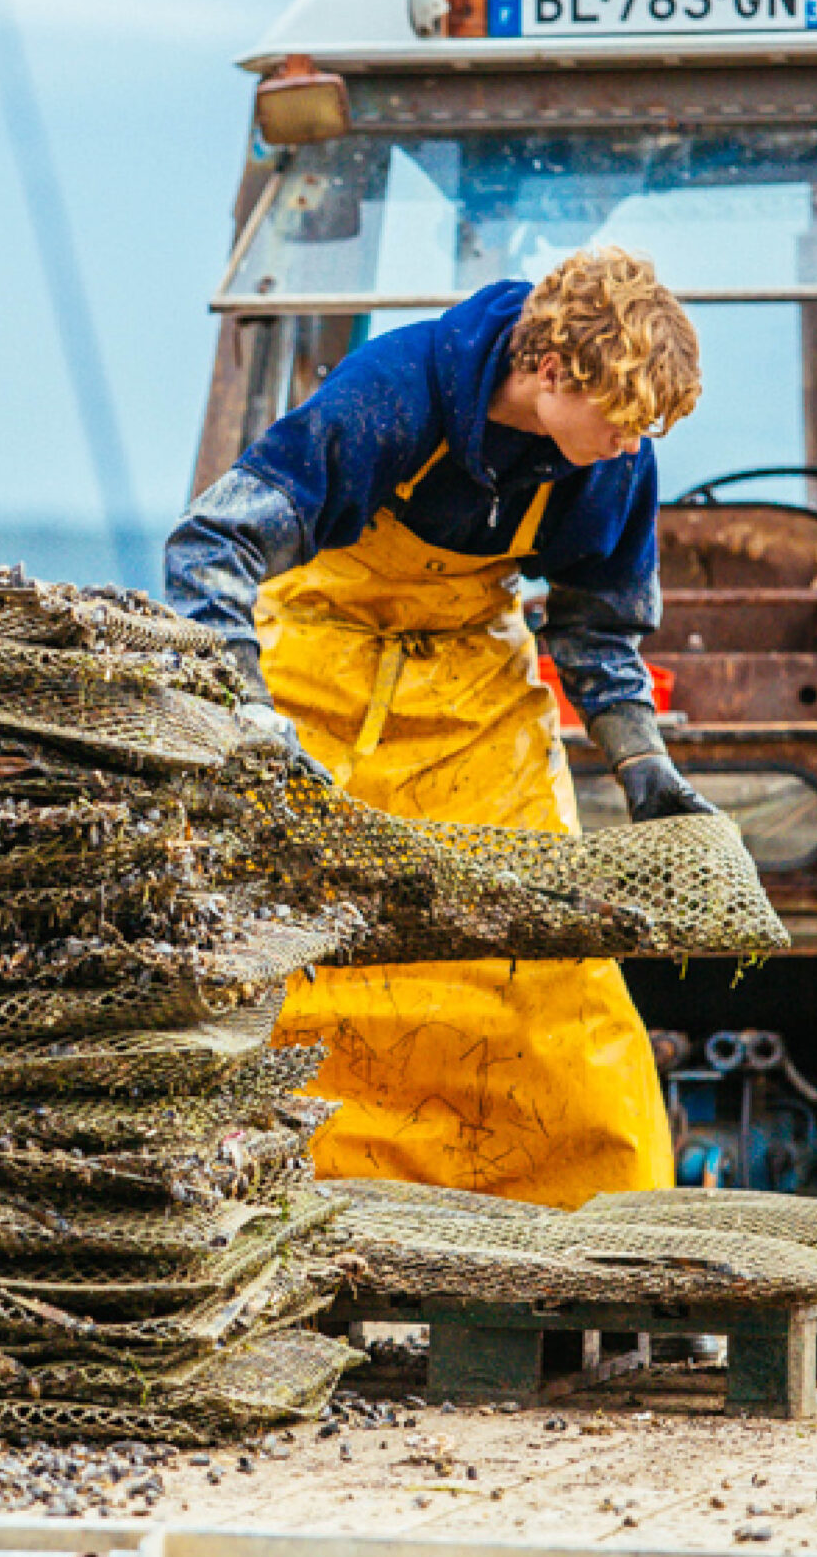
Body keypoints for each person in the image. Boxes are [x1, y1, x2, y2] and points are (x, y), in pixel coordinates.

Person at [165, 245, 710, 1206]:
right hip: (315, 685)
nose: (633, 445)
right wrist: (250, 728)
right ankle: (294, 1212)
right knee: (296, 964)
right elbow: (210, 547)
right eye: (623, 422)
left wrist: (643, 763)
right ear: (549, 372)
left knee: (553, 973)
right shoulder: (390, 394)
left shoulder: (615, 465)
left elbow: (597, 631)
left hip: (473, 691)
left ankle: (600, 1229)